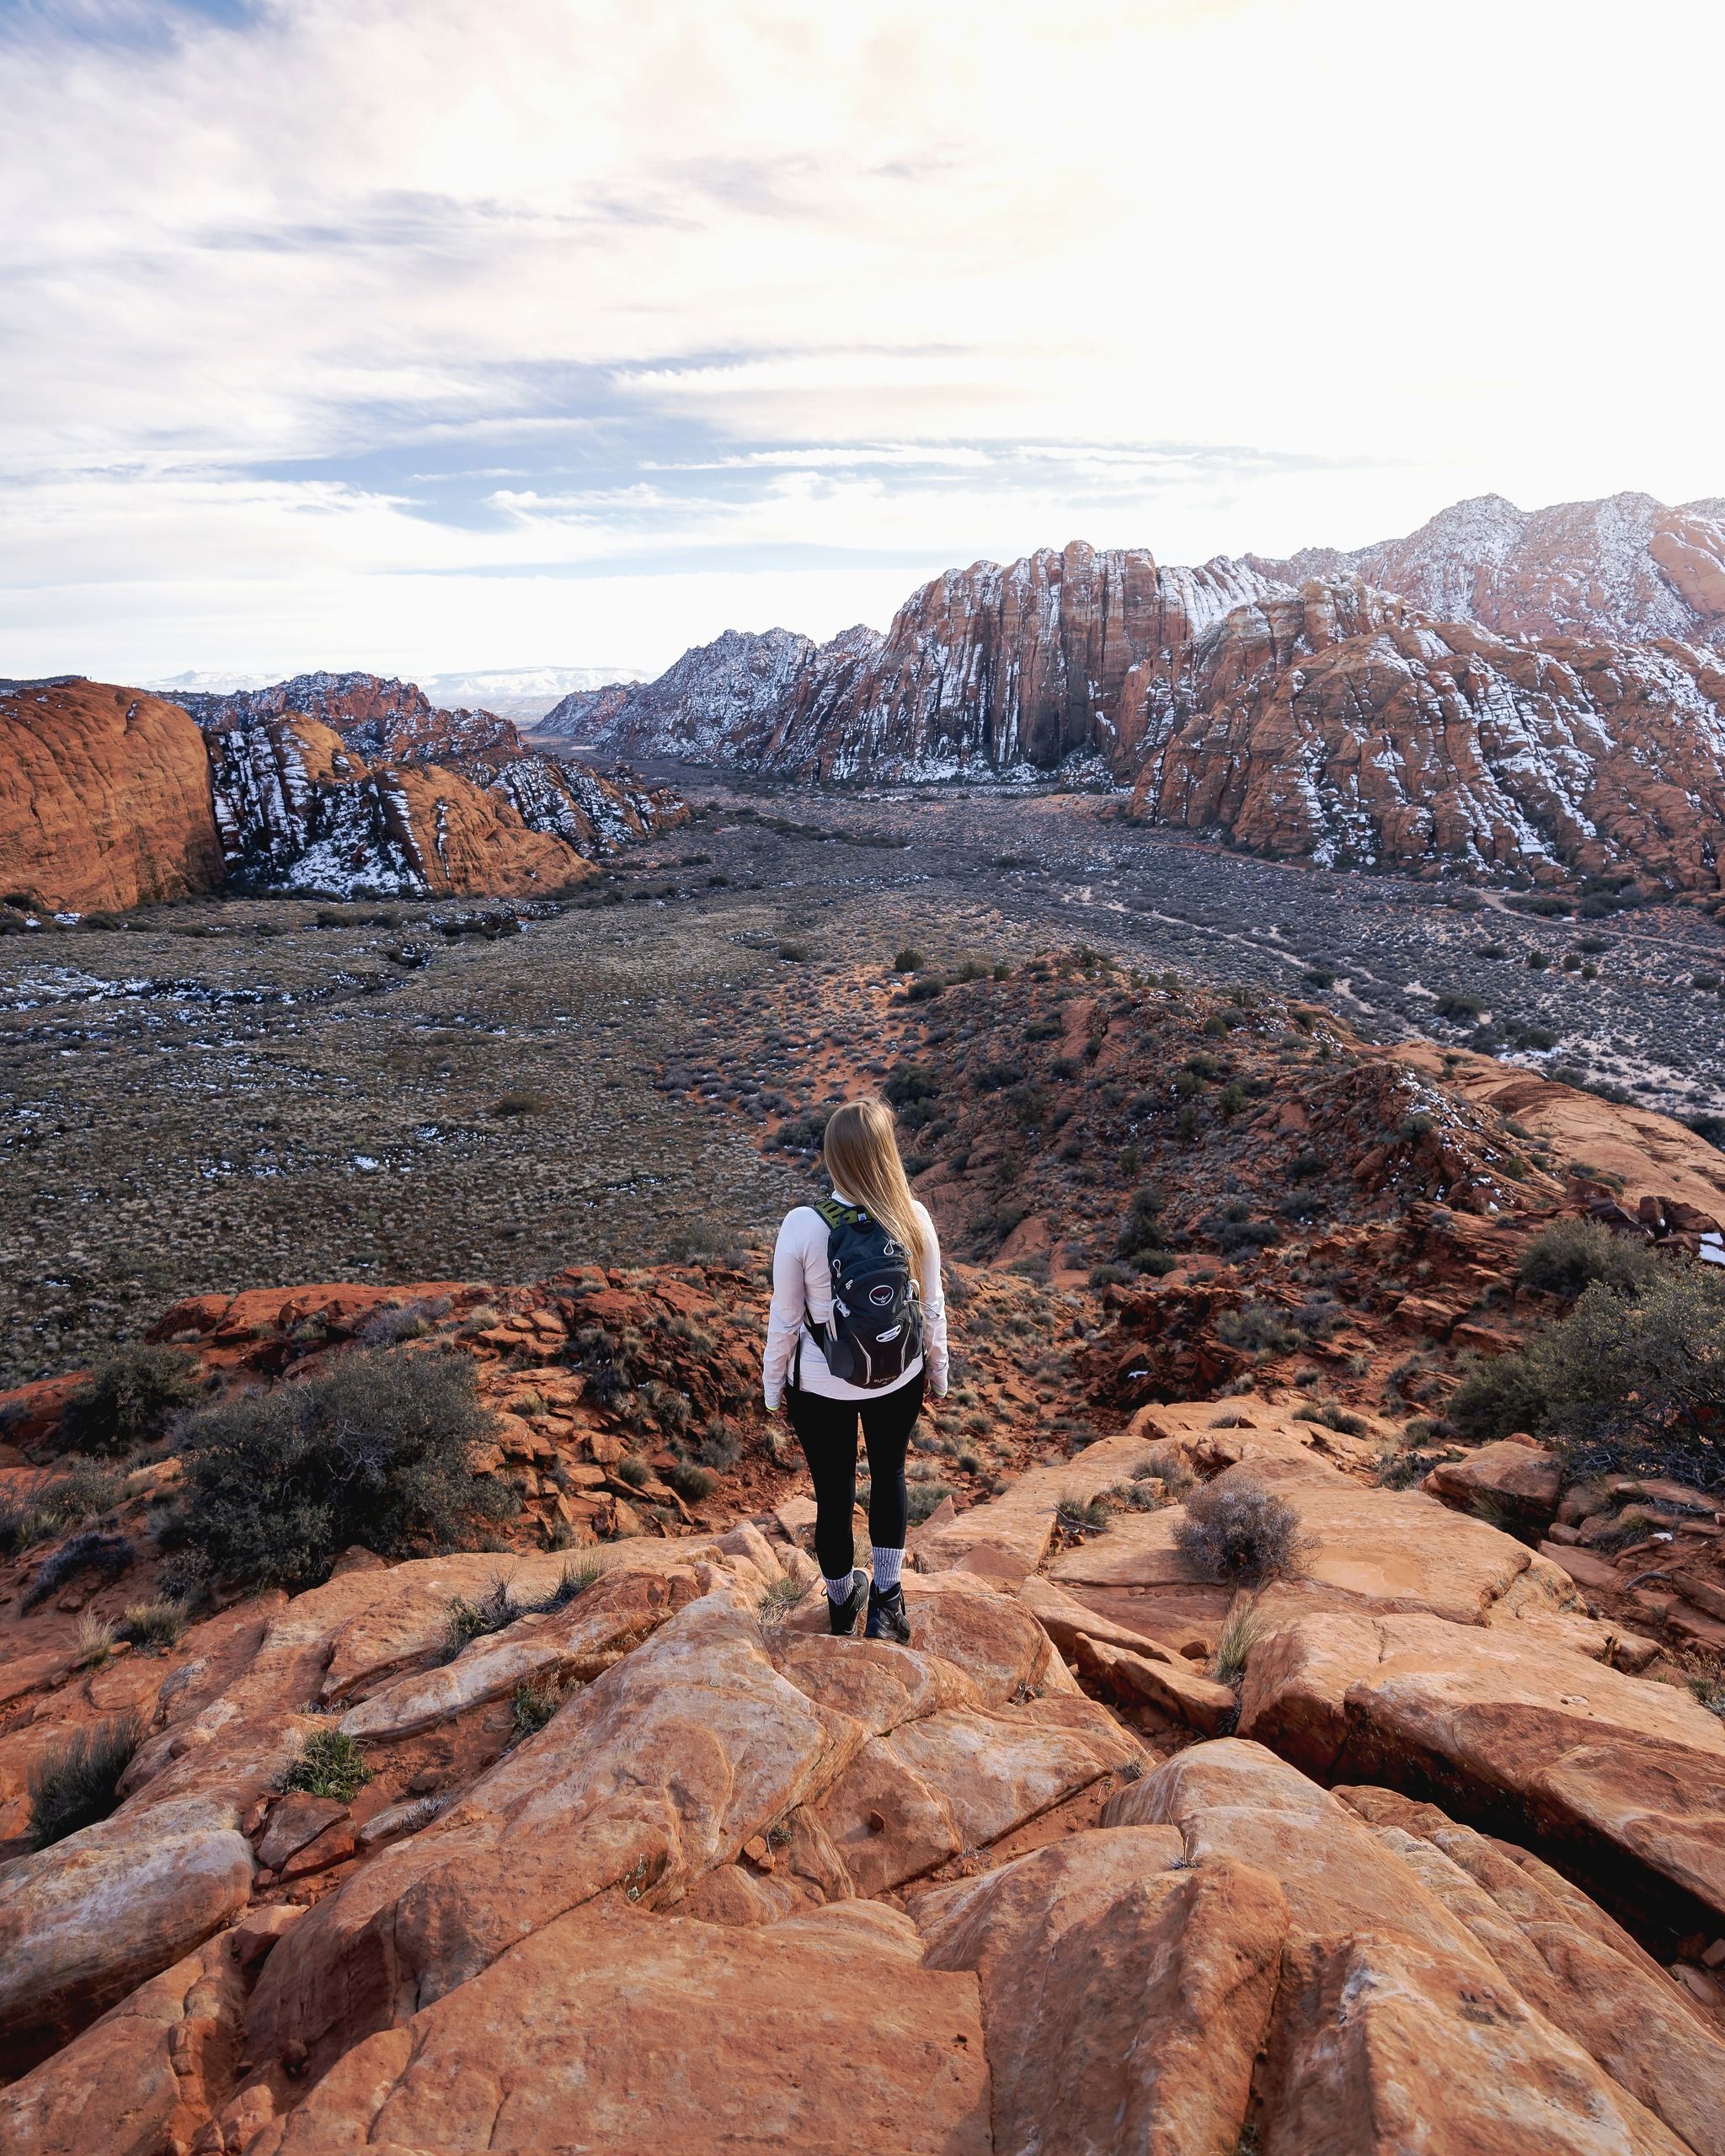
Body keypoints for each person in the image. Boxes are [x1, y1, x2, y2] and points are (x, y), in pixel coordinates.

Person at [762, 1095, 948, 1642]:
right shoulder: (913, 1216)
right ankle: (887, 1602)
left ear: (835, 1156)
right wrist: (938, 1371)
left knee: (833, 1491)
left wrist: (772, 1387)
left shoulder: (803, 1224)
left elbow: (785, 1319)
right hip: (899, 1375)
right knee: (890, 1475)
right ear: (886, 1151)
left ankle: (843, 1601)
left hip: (821, 1385)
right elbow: (932, 1306)